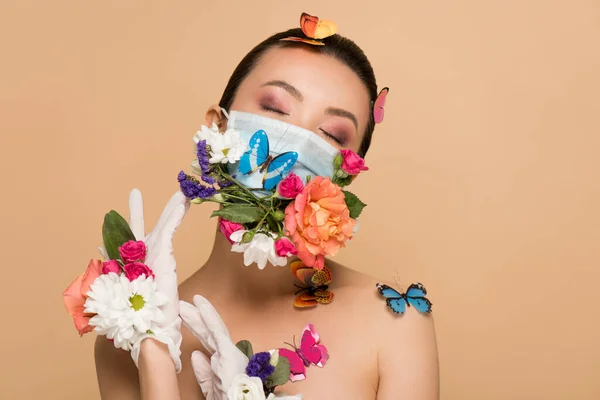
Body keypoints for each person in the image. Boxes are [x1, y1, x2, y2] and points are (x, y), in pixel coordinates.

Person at [92, 21, 439, 400]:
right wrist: (155, 356)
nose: (296, 140)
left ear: (345, 178)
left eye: (332, 135)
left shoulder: (394, 321)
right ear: (218, 125)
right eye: (275, 108)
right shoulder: (126, 336)